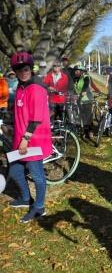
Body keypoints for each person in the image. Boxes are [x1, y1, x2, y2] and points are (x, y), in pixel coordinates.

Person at [8, 52, 52, 223]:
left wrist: (25, 139)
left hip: (34, 140)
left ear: (31, 68)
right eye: (19, 69)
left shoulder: (36, 88)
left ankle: (39, 207)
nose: (23, 72)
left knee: (37, 174)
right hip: (20, 138)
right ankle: (26, 198)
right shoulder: (21, 86)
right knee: (15, 170)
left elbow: (36, 118)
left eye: (26, 68)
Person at [73, 66, 94, 139]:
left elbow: (86, 85)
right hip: (79, 100)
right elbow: (73, 88)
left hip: (87, 100)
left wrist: (84, 91)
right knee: (82, 116)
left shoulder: (86, 77)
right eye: (75, 71)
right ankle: (85, 131)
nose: (75, 72)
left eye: (77, 71)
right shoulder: (75, 78)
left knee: (88, 116)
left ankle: (90, 131)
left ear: (81, 71)